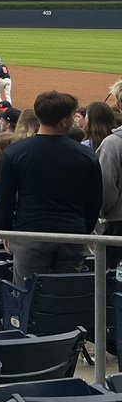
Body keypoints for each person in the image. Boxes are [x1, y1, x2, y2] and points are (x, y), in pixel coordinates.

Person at [0, 90, 103, 286]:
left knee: (26, 297)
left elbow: (5, 198)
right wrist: (81, 229)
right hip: (70, 234)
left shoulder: (16, 153)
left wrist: (7, 231)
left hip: (30, 233)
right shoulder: (85, 155)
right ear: (64, 121)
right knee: (65, 294)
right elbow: (94, 201)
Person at [96, 79, 122, 269]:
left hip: (118, 224)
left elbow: (105, 190)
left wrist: (104, 212)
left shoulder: (113, 143)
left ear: (119, 104)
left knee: (111, 283)